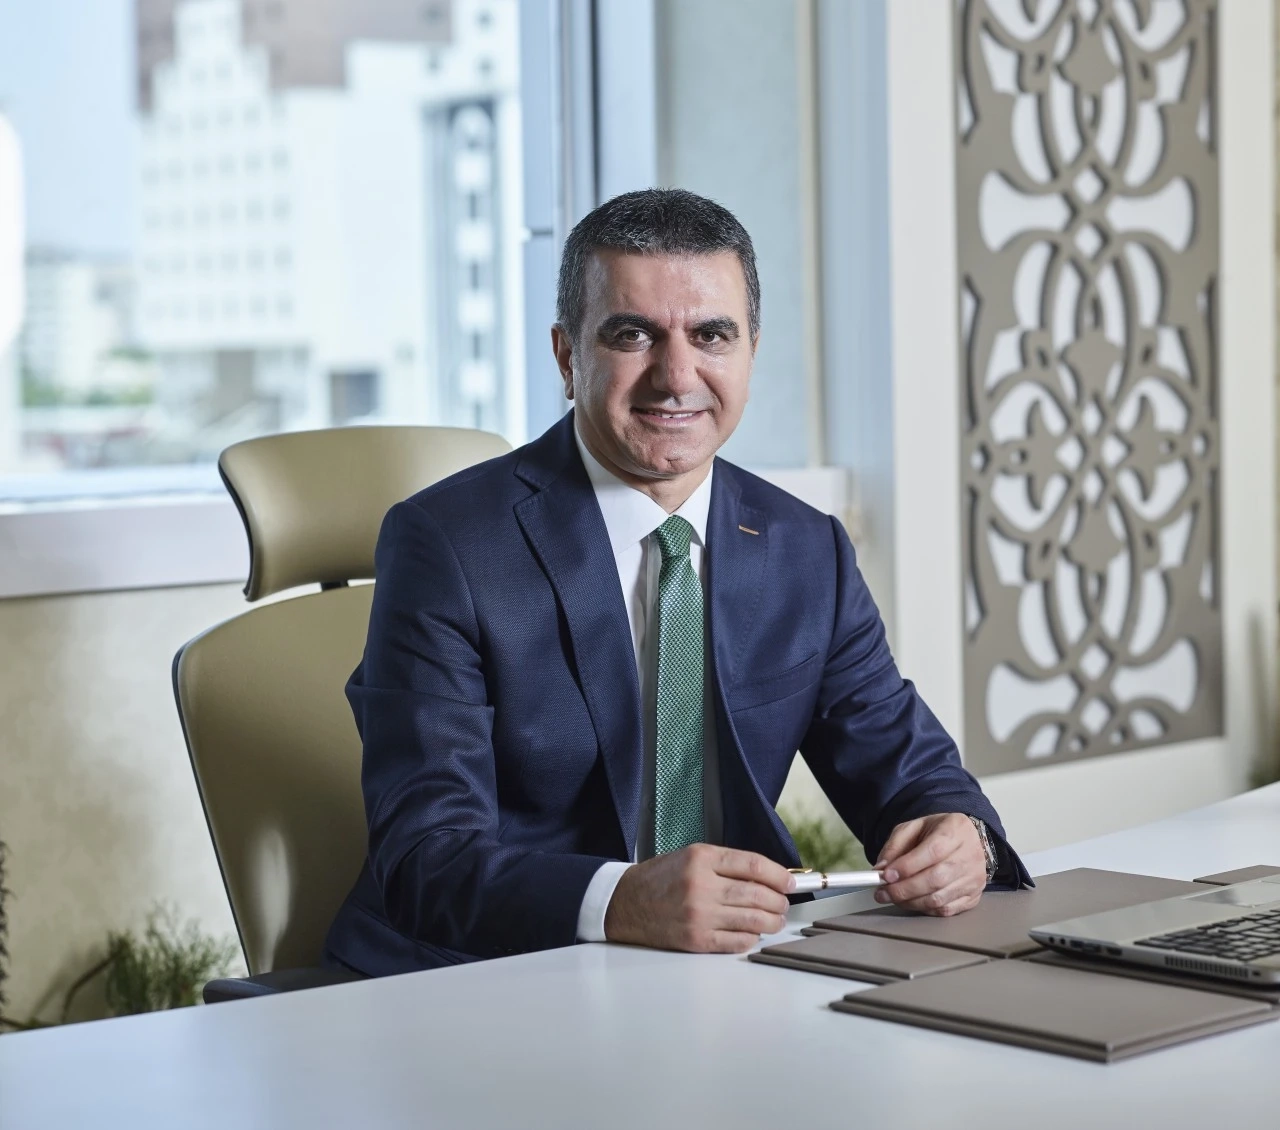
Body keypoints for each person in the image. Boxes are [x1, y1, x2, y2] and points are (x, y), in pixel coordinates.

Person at [324, 188, 1028, 976]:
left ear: (752, 352)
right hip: (483, 979)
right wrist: (619, 900)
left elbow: (914, 774)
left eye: (712, 335)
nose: (676, 375)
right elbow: (427, 858)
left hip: (727, 978)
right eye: (633, 335)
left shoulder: (807, 550)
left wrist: (959, 837)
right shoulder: (448, 546)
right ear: (567, 356)